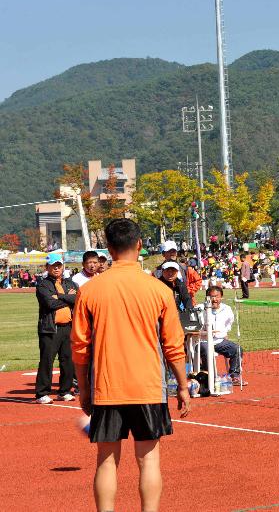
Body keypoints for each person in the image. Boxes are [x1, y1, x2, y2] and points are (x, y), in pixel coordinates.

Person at [71, 218, 190, 512]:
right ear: (139, 245)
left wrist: (84, 390)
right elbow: (173, 345)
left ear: (108, 250)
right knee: (148, 459)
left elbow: (80, 347)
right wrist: (183, 387)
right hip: (147, 386)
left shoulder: (91, 290)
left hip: (108, 387)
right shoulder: (159, 290)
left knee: (106, 461)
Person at [35, 252, 79, 404]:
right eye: (53, 266)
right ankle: (42, 393)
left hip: (68, 327)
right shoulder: (43, 284)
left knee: (67, 360)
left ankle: (64, 391)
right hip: (50, 328)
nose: (57, 268)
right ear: (47, 267)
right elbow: (50, 304)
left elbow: (78, 299)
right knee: (47, 360)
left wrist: (59, 296)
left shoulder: (70, 283)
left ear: (63, 266)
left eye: (59, 265)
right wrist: (68, 298)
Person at [200, 286, 245, 386]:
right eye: (211, 297)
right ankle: (208, 376)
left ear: (221, 297)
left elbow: (228, 324)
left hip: (219, 341)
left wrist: (224, 334)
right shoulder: (200, 309)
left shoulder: (227, 309)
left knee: (237, 349)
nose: (214, 299)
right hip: (203, 341)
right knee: (207, 351)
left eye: (217, 296)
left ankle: (234, 376)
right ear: (207, 298)